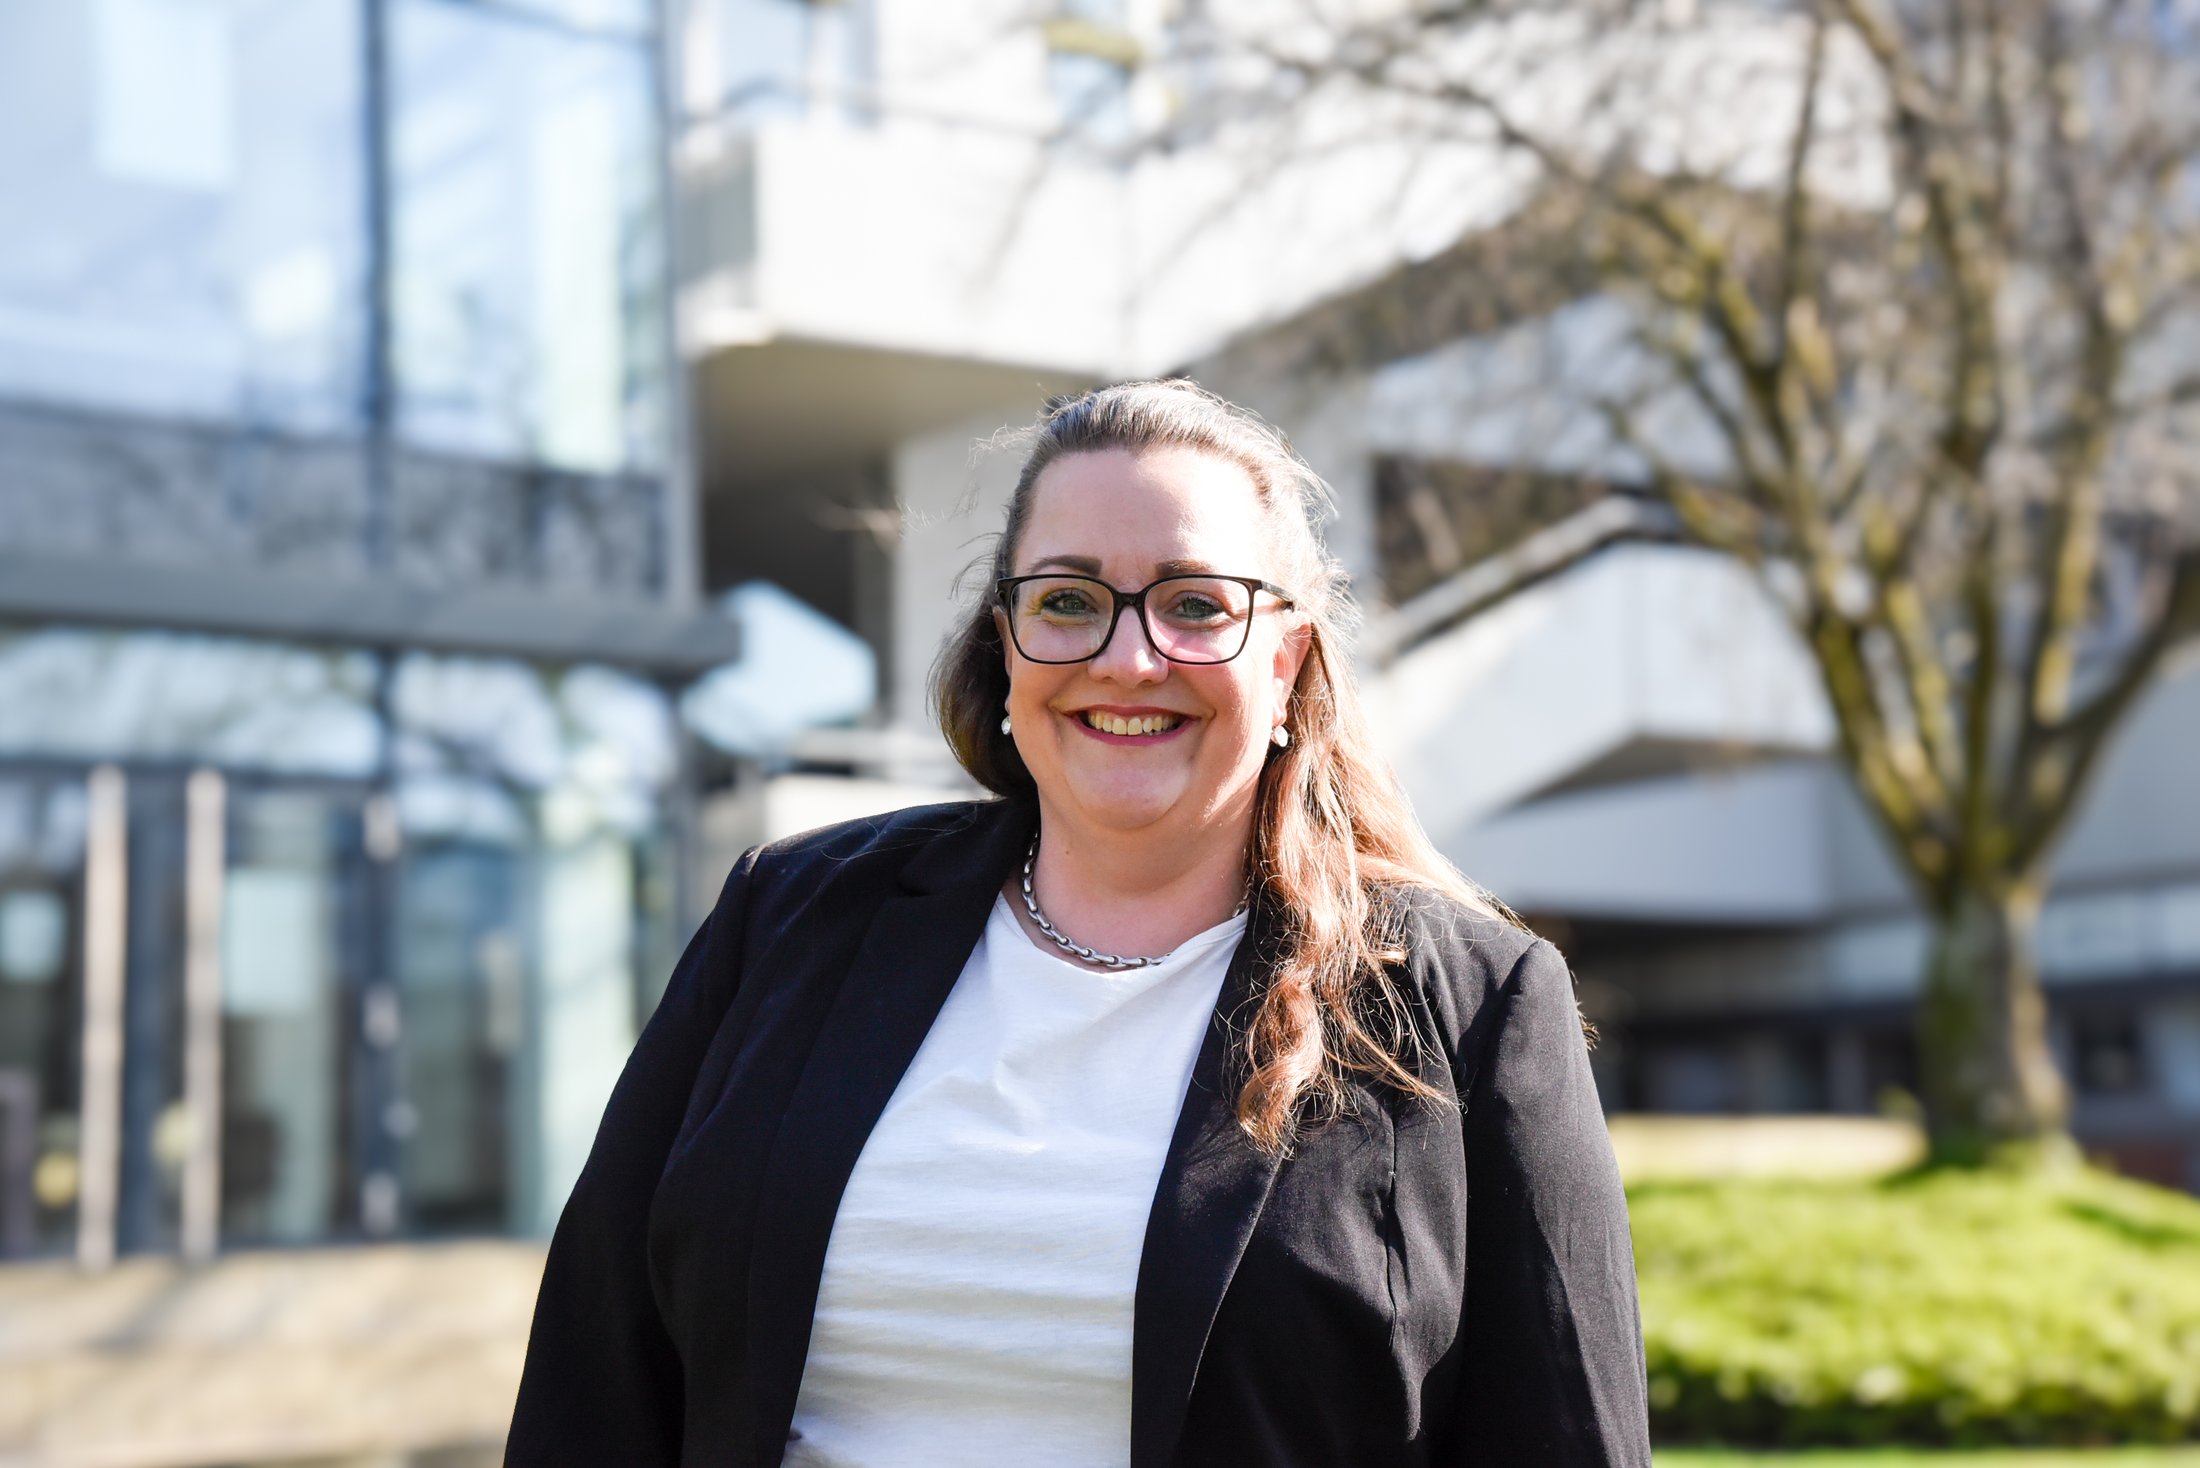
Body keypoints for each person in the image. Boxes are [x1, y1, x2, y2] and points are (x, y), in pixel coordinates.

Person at [506, 379, 1651, 1467]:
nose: (1128, 656)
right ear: (1006, 645)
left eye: (1196, 604)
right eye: (1067, 600)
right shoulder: (788, 921)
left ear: (1287, 657)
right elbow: (591, 1383)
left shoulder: (1465, 1004)